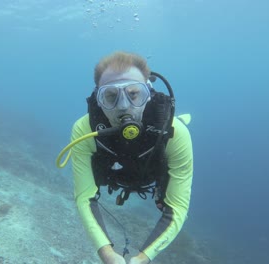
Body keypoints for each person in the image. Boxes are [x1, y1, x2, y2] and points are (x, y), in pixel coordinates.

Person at [56, 51, 193, 263]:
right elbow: (84, 196)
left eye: (134, 94)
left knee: (165, 193)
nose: (122, 106)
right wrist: (106, 253)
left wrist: (143, 258)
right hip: (114, 171)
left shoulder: (175, 133)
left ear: (149, 93)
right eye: (110, 96)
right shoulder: (84, 129)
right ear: (98, 99)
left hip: (152, 169)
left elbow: (177, 207)